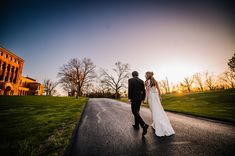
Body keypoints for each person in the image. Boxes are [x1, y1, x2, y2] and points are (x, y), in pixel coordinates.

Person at [144, 71, 175, 137]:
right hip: (156, 96)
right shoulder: (155, 81)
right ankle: (158, 124)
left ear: (148, 75)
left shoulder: (147, 82)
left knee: (154, 111)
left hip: (151, 97)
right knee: (159, 110)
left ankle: (158, 126)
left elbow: (147, 91)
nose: (145, 75)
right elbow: (158, 89)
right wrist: (160, 96)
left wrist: (145, 99)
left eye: (146, 75)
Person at [128, 71, 149, 136]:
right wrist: (143, 98)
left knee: (134, 111)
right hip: (140, 98)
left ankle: (143, 125)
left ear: (132, 75)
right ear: (138, 74)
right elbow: (143, 90)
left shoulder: (130, 80)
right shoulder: (141, 81)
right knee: (137, 111)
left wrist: (129, 98)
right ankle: (136, 125)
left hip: (134, 98)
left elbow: (130, 89)